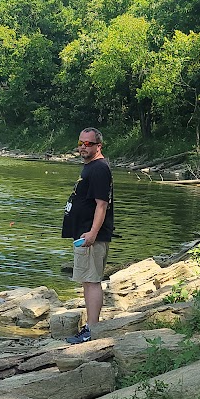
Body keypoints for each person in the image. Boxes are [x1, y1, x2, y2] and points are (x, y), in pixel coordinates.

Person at [62, 126, 114, 342]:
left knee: (92, 281)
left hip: (91, 236)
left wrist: (93, 233)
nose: (83, 147)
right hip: (83, 234)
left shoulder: (100, 169)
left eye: (88, 144)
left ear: (98, 146)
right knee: (86, 280)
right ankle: (90, 327)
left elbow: (102, 205)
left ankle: (92, 330)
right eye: (81, 143)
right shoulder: (91, 167)